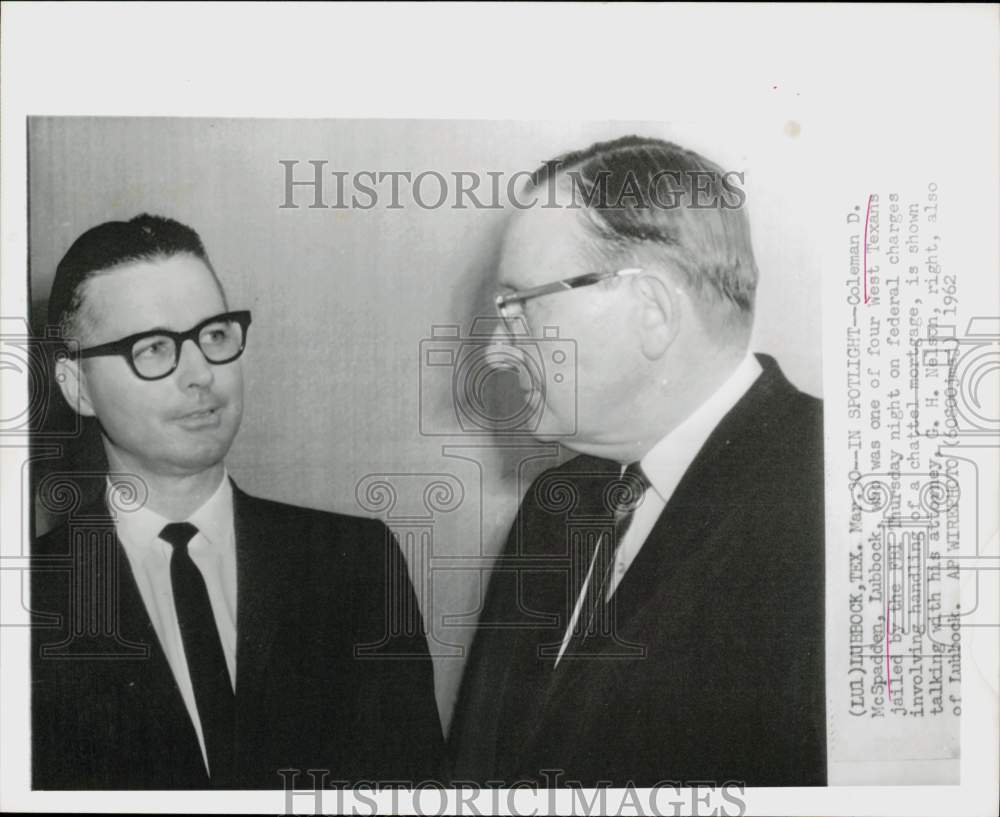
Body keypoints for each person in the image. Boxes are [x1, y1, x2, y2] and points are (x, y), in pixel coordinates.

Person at [450, 136, 826, 787]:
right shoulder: (553, 507)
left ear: (650, 310)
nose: (494, 351)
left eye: (519, 308)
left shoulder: (832, 502)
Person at [31, 214, 444, 789]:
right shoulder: (26, 597)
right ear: (77, 387)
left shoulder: (353, 563)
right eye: (153, 348)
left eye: (215, 335)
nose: (201, 373)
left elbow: (412, 787)